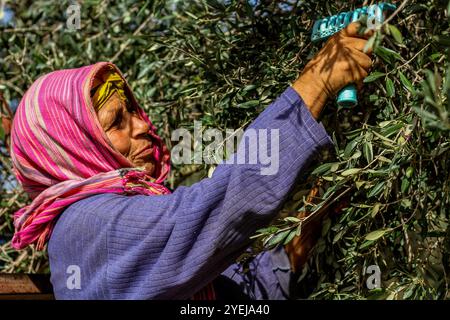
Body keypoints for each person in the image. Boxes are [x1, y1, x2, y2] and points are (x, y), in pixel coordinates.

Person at [9, 22, 373, 299]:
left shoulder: (131, 213)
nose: (142, 125)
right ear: (70, 147)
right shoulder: (83, 227)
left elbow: (239, 297)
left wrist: (302, 233)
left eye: (134, 110)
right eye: (116, 122)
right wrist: (315, 84)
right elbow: (212, 211)